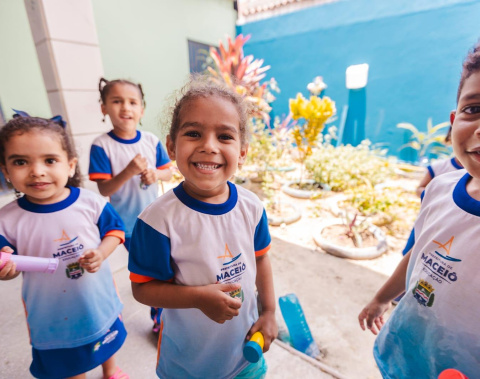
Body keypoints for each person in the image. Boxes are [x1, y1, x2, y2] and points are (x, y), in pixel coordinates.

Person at [128, 76, 278, 378]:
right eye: (194, 133)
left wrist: (270, 312)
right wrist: (198, 298)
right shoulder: (156, 221)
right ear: (171, 146)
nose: (209, 147)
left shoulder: (252, 207)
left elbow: (261, 259)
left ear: (243, 151)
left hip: (245, 357)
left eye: (224, 137)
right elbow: (142, 289)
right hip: (188, 364)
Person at [358, 42, 480, 378]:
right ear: (454, 120)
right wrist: (382, 298)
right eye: (474, 109)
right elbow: (418, 255)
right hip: (402, 352)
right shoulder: (439, 188)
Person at [0, 114, 128, 379]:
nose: (37, 171)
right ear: (6, 171)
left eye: (50, 160)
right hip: (52, 313)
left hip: (96, 298)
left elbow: (115, 231)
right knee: (69, 363)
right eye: (21, 162)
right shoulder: (7, 219)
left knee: (107, 337)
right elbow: (6, 258)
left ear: (70, 166)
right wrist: (8, 269)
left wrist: (101, 253)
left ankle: (110, 371)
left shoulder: (91, 203)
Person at [89, 78, 173, 332]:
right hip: (127, 225)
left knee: (166, 266)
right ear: (104, 108)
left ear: (142, 110)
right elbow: (104, 188)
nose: (125, 107)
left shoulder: (151, 140)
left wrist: (154, 175)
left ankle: (168, 310)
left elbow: (168, 172)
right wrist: (129, 171)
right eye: (117, 101)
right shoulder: (102, 146)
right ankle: (160, 320)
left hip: (159, 219)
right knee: (153, 271)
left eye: (132, 102)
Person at [415, 125, 463, 196]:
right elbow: (420, 188)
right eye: (461, 138)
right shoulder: (437, 167)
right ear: (450, 139)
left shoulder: (476, 172)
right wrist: (435, 196)